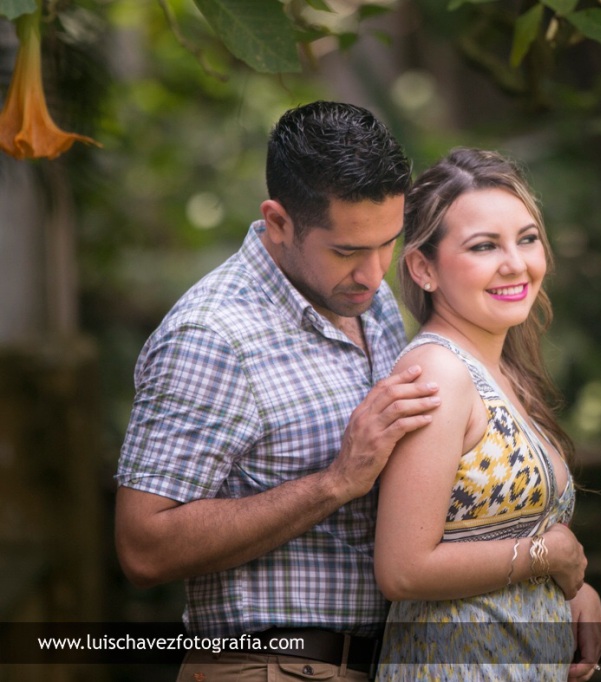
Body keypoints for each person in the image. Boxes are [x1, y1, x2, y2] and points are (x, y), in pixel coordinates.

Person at [114, 101, 445, 681]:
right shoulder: (211, 335)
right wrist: (335, 482)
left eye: (387, 242)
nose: (373, 272)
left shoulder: (373, 302)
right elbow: (143, 547)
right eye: (346, 251)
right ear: (278, 221)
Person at [373, 148, 601, 681]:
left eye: (526, 238)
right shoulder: (438, 374)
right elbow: (404, 569)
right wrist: (548, 558)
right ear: (423, 267)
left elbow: (495, 538)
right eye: (484, 246)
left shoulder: (502, 372)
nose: (516, 263)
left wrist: (573, 590)